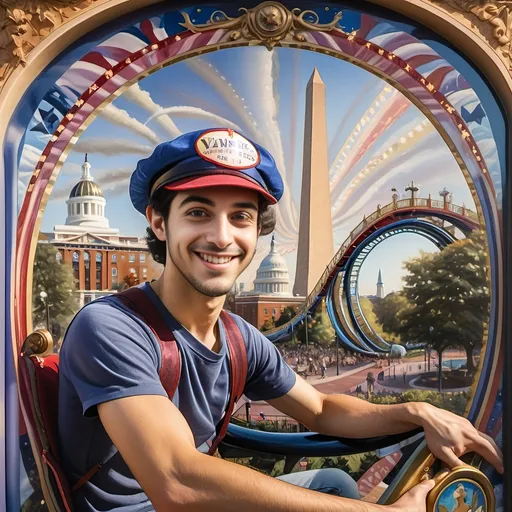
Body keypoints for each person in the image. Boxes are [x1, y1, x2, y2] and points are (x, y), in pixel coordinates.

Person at [58, 128, 503, 512]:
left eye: (240, 217)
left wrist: (419, 410)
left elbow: (323, 408)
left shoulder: (238, 338)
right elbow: (177, 480)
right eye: (197, 213)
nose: (221, 236)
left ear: (257, 232)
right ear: (158, 222)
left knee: (334, 483)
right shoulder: (111, 327)